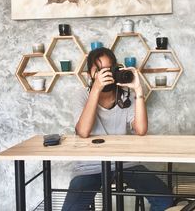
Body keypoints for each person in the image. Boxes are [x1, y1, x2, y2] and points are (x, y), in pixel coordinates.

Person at [62, 47, 173, 211]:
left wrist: (138, 90)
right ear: (88, 75)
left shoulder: (125, 95)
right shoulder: (82, 95)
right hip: (89, 166)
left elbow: (141, 130)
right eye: (99, 71)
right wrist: (96, 89)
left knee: (165, 200)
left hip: (125, 163)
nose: (104, 74)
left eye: (108, 70)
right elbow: (83, 132)